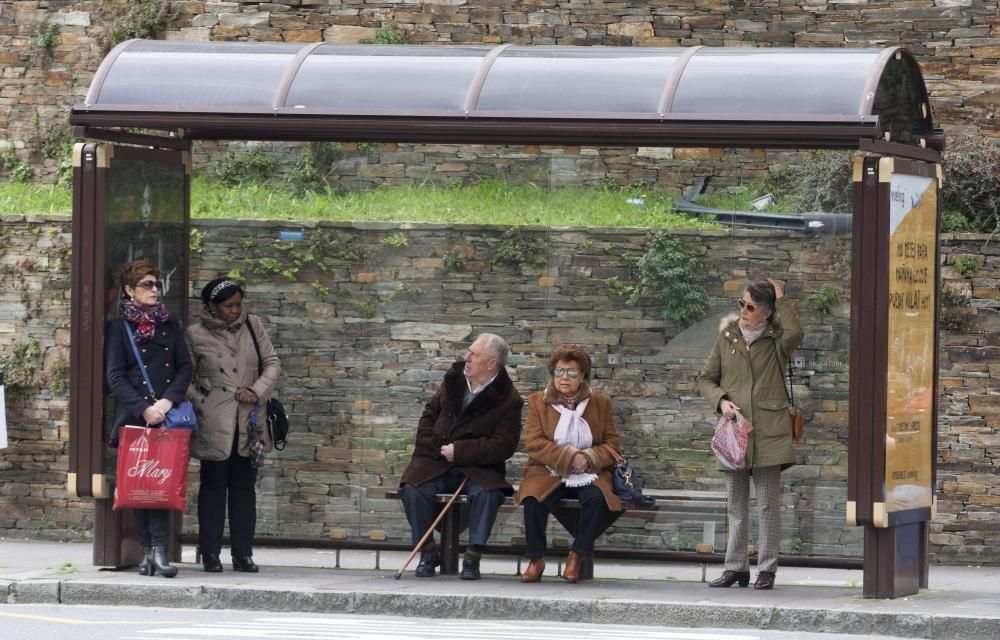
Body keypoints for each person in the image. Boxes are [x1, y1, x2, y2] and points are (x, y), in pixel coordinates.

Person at [697, 278, 804, 591]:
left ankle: (767, 569)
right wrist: (721, 400)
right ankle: (735, 568)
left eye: (751, 307)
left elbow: (797, 333)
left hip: (769, 432)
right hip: (735, 434)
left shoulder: (777, 341)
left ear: (767, 313)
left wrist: (782, 298)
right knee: (736, 505)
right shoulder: (726, 338)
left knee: (768, 505)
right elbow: (705, 379)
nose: (743, 311)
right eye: (741, 304)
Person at [399, 333, 524, 580]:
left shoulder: (509, 398)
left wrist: (461, 452)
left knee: (489, 494)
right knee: (411, 487)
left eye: (473, 354)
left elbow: (504, 445)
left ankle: (473, 556)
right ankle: (427, 551)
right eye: (468, 352)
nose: (466, 358)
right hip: (437, 459)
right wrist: (437, 447)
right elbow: (429, 415)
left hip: (478, 468)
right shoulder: (454, 379)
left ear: (491, 363)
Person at [185, 278, 281, 573]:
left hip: (249, 421)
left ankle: (243, 554)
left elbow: (273, 364)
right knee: (212, 488)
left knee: (244, 489)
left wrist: (256, 390)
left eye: (239, 304)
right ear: (211, 306)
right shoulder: (194, 334)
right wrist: (203, 402)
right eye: (229, 305)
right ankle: (210, 553)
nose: (235, 310)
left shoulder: (253, 325)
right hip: (214, 422)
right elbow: (184, 377)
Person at [105, 259, 193, 578]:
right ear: (130, 291)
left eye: (157, 284)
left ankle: (159, 551)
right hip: (136, 416)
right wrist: (145, 408)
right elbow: (115, 377)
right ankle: (146, 552)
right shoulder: (119, 328)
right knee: (140, 486)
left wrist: (168, 401)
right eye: (147, 284)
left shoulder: (170, 323)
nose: (154, 290)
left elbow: (185, 366)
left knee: (163, 483)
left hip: (167, 416)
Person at [514, 344, 622, 583]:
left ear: (583, 375)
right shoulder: (537, 402)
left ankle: (577, 555)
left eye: (572, 372)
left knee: (598, 499)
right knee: (533, 499)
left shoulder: (601, 403)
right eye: (559, 372)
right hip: (546, 470)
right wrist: (569, 458)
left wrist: (589, 459)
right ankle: (536, 559)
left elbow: (613, 444)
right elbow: (534, 442)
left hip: (589, 471)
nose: (565, 378)